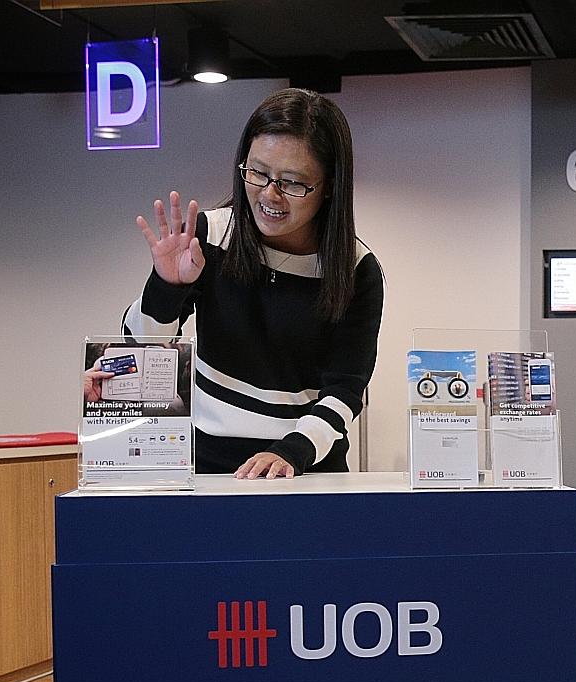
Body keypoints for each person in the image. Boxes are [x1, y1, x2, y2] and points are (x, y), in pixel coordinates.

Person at [107, 88, 383, 478]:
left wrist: (293, 452)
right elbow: (138, 350)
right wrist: (167, 286)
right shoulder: (209, 235)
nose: (270, 195)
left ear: (330, 186)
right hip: (205, 466)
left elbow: (345, 390)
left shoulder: (356, 269)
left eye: (293, 182)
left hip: (305, 468)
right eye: (258, 173)